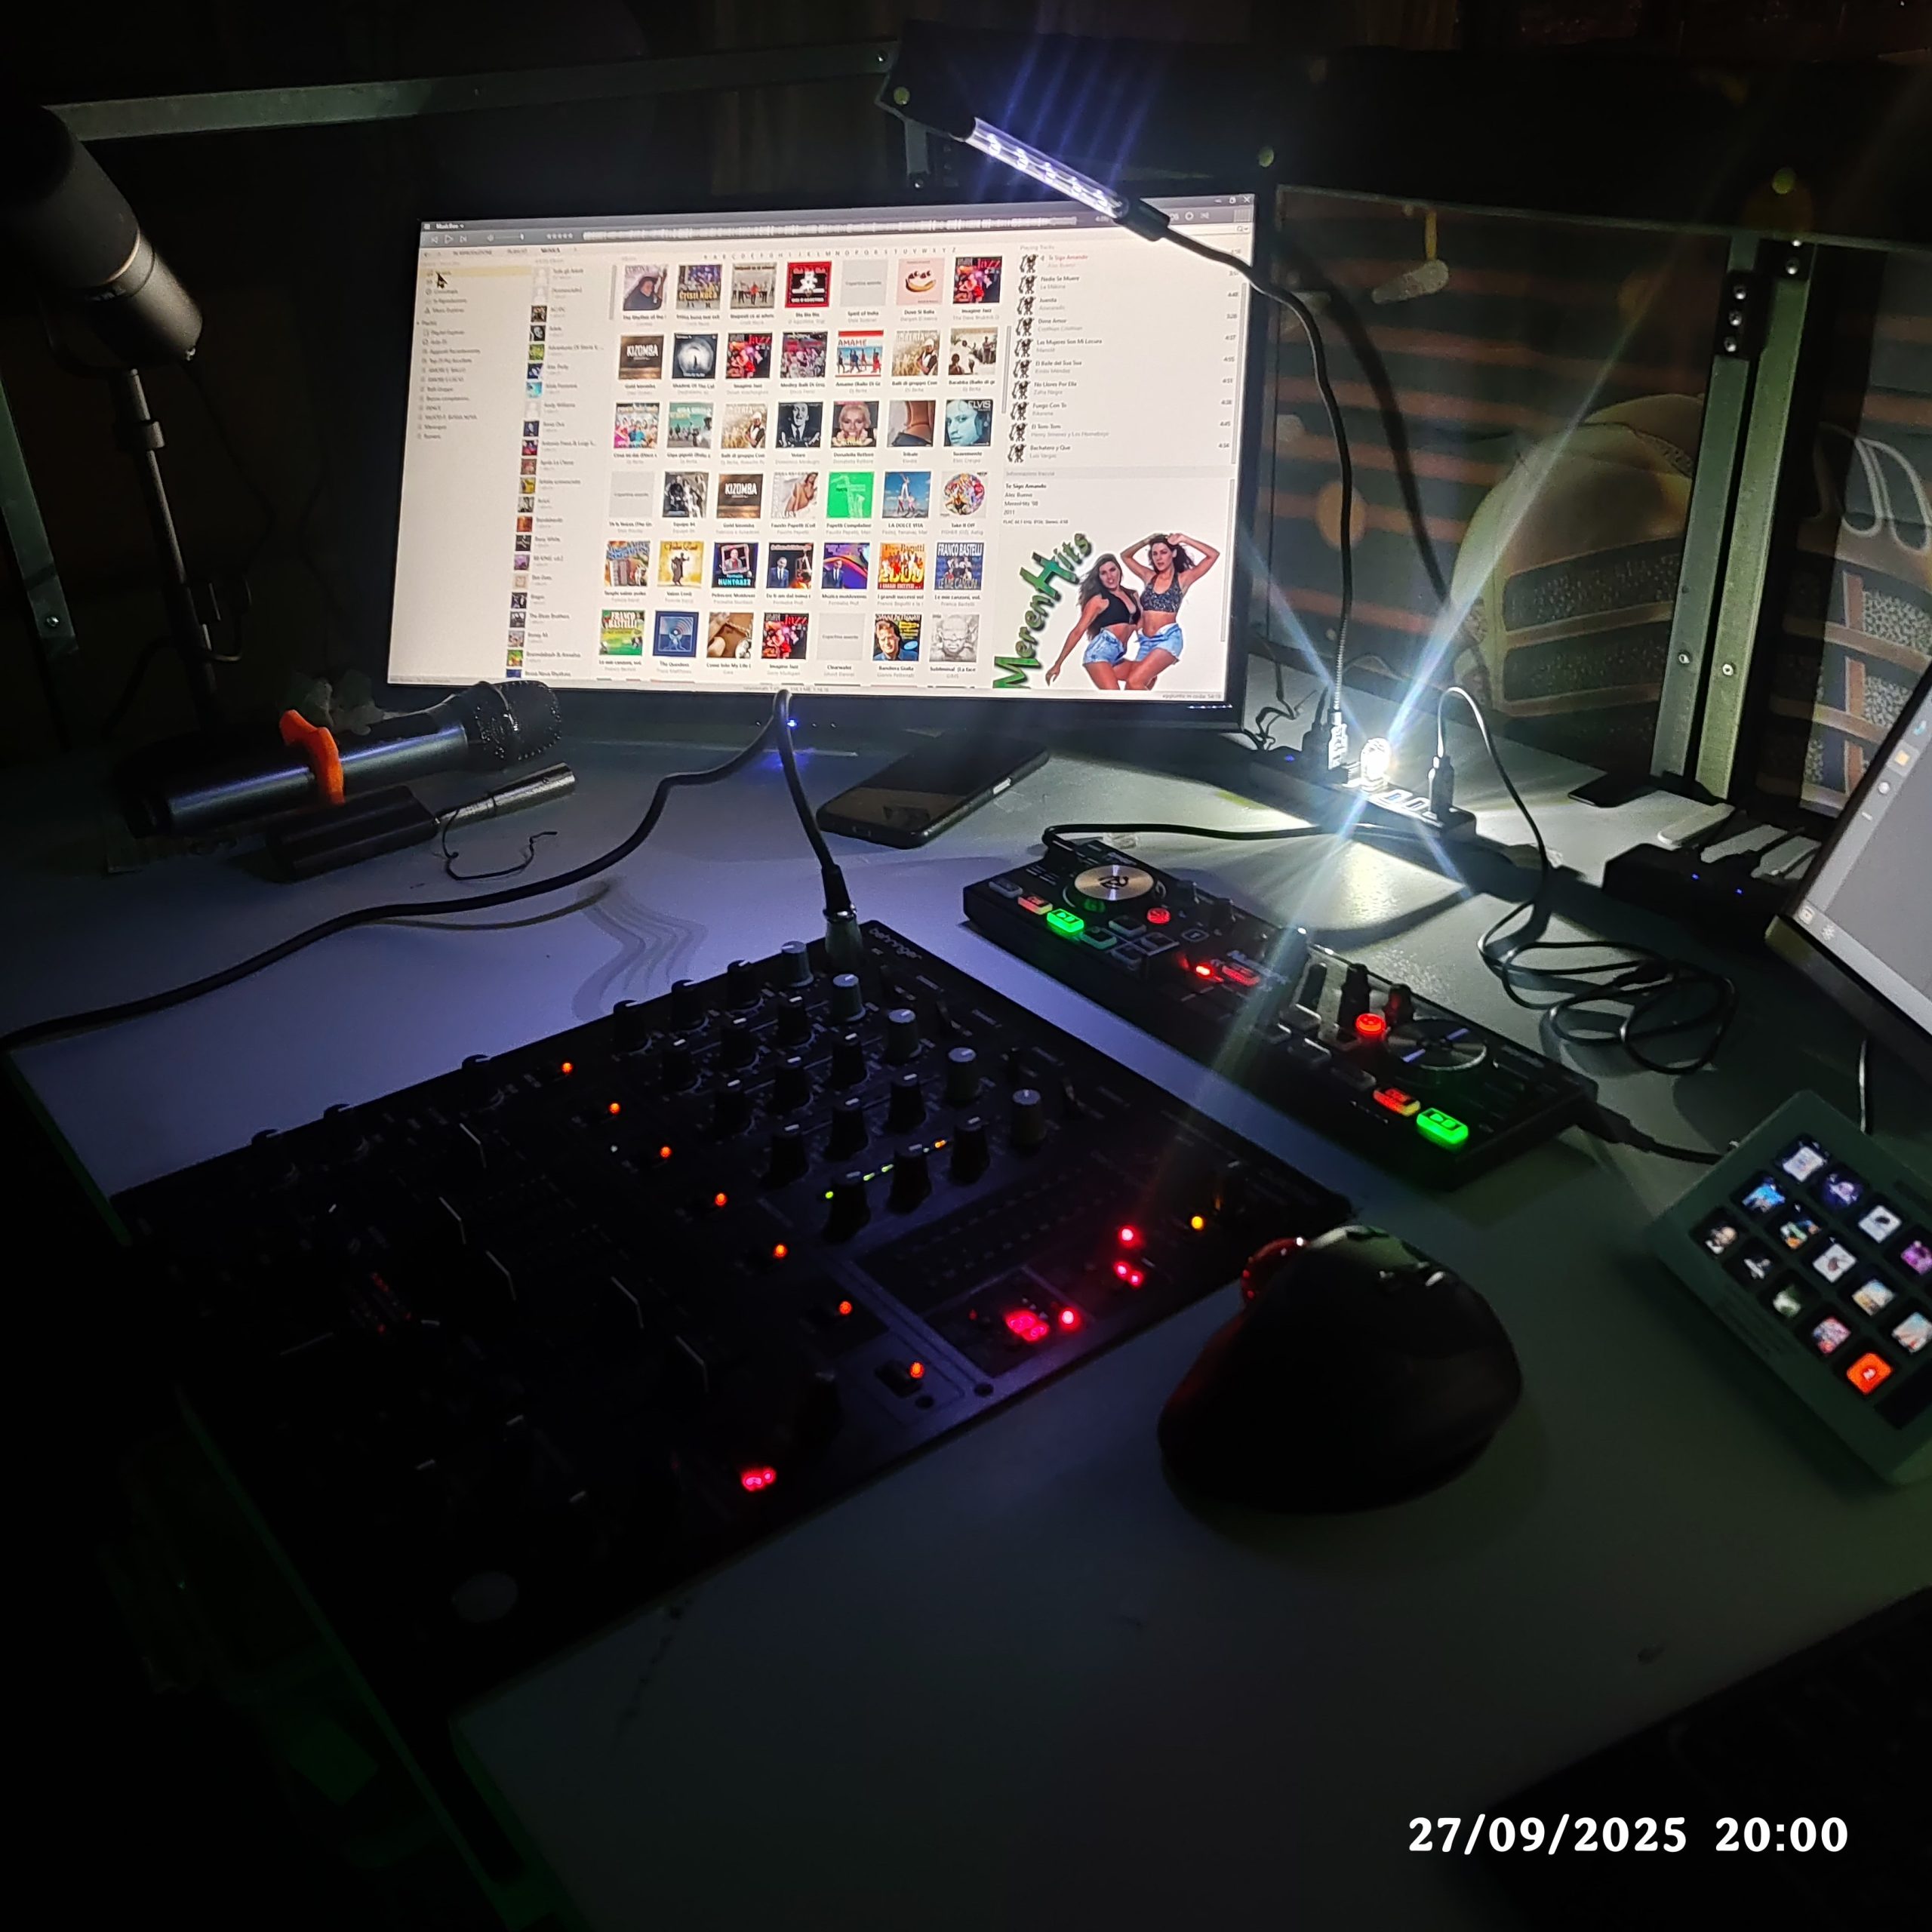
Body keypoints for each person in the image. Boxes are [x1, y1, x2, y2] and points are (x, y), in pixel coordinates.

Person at [1118, 531, 1220, 690]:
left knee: (1134, 682)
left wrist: (1184, 539)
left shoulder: (1182, 579)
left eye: (1164, 552)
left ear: (1173, 553)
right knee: (1133, 690)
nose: (1159, 558)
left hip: (1168, 639)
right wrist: (1145, 541)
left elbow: (1213, 555)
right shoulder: (1149, 576)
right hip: (1146, 642)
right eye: (1155, 554)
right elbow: (1125, 556)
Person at [1044, 555, 1141, 690]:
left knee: (1147, 677)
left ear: (1119, 570)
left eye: (1112, 570)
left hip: (1117, 656)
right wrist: (1058, 664)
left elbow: (1143, 626)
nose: (1110, 576)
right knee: (1115, 697)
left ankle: (1129, 703)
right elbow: (1078, 631)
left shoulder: (1133, 595)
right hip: (1098, 654)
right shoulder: (1099, 601)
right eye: (1104, 573)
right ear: (1099, 578)